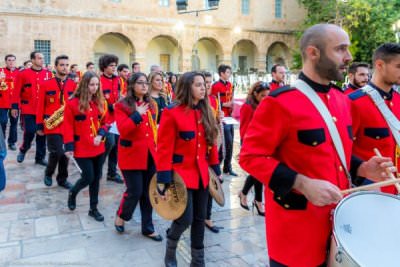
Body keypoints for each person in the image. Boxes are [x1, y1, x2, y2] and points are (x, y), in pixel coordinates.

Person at [239, 24, 395, 267]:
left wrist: (363, 168)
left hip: (338, 227)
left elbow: (336, 153)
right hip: (296, 234)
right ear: (314, 53)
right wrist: (301, 183)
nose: (349, 57)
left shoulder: (342, 100)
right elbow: (250, 157)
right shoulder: (280, 102)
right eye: (341, 49)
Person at [156, 71, 221, 267]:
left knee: (200, 219)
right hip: (180, 176)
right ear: (187, 88)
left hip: (202, 174)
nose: (204, 87)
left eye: (204, 84)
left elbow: (211, 143)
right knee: (186, 218)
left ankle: (198, 262)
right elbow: (164, 149)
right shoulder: (171, 112)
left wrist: (216, 170)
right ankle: (171, 247)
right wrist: (163, 180)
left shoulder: (206, 110)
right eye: (198, 84)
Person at [113, 72, 162, 241]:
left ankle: (147, 228)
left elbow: (154, 129)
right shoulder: (121, 105)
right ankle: (121, 216)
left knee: (148, 193)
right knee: (134, 191)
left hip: (149, 155)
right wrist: (137, 114)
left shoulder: (152, 104)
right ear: (132, 85)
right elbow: (123, 130)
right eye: (140, 83)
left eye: (145, 83)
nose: (144, 86)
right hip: (131, 155)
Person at [350, 43, 400, 193]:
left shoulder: (398, 100)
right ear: (380, 65)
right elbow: (343, 151)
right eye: (398, 66)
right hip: (372, 192)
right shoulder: (354, 103)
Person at [64, 71, 110, 222]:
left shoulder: (100, 102)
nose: (94, 88)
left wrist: (100, 134)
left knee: (97, 178)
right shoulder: (72, 103)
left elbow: (106, 122)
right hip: (81, 148)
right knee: (88, 177)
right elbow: (68, 126)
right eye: (91, 84)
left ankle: (93, 208)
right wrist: (69, 147)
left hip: (98, 147)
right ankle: (73, 192)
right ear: (84, 84)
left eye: (97, 84)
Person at [36, 55, 76, 189]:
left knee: (65, 153)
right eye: (62, 65)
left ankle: (62, 179)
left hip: (68, 124)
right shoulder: (45, 84)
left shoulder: (73, 84)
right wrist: (39, 124)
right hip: (51, 123)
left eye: (67, 65)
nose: (65, 67)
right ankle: (48, 173)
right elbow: (40, 105)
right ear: (55, 67)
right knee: (56, 152)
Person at [12, 51, 52, 166]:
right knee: (29, 131)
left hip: (44, 109)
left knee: (42, 133)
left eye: (42, 58)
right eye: (39, 58)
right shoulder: (23, 74)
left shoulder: (48, 74)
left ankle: (40, 157)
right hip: (28, 108)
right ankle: (23, 149)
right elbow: (16, 92)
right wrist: (14, 106)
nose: (42, 60)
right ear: (33, 60)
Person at [238, 81, 269, 216]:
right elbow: (244, 128)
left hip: (263, 142)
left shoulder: (264, 104)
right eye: (263, 95)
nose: (265, 98)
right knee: (258, 173)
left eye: (267, 95)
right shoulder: (247, 107)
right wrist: (247, 146)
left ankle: (253, 199)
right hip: (251, 144)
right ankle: (253, 198)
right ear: (255, 94)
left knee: (258, 174)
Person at [204, 71, 223, 234]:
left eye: (210, 82)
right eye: (205, 82)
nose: (208, 85)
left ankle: (207, 218)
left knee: (210, 187)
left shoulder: (212, 100)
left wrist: (218, 118)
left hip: (211, 149)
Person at [98, 54, 123, 184]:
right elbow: (97, 99)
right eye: (111, 66)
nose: (114, 68)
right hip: (105, 117)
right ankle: (97, 168)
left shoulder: (118, 79)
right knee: (109, 143)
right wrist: (109, 106)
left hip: (117, 118)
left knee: (116, 147)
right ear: (104, 67)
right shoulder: (99, 80)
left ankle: (112, 173)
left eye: (115, 65)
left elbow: (118, 95)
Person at [211, 64, 237, 176]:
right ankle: (219, 165)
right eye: (227, 72)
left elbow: (231, 97)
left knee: (229, 143)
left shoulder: (230, 85)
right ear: (221, 73)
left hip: (229, 116)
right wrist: (225, 104)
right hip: (222, 117)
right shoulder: (215, 86)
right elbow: (212, 101)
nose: (229, 74)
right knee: (227, 142)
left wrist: (232, 104)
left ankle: (227, 167)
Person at [0, 54, 19, 151]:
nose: (11, 62)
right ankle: (1, 141)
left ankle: (12, 142)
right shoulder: (1, 71)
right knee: (2, 122)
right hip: (2, 102)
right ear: (6, 61)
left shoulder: (19, 73)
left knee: (14, 123)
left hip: (15, 103)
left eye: (13, 60)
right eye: (9, 60)